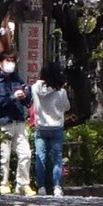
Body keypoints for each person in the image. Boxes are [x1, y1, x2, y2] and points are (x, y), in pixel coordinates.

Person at [0, 52, 32, 195]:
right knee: (4, 156)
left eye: (13, 60)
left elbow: (27, 100)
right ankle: (3, 183)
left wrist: (25, 95)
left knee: (26, 154)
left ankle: (23, 184)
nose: (10, 63)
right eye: (7, 60)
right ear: (0, 63)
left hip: (19, 121)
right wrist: (13, 97)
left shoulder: (17, 80)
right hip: (3, 122)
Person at [31, 62, 69, 198]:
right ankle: (57, 187)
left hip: (41, 127)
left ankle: (41, 187)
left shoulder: (35, 88)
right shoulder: (61, 91)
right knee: (56, 158)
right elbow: (66, 107)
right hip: (57, 127)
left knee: (40, 157)